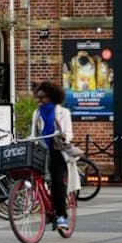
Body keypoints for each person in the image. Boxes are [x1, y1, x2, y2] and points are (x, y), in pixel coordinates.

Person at [31, 81, 74, 231]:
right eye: (38, 97)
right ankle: (47, 209)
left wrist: (64, 137)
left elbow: (69, 132)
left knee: (57, 182)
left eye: (42, 97)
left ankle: (61, 215)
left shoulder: (63, 112)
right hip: (42, 152)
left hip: (57, 151)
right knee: (35, 179)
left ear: (52, 97)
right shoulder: (37, 113)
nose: (39, 100)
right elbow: (33, 133)